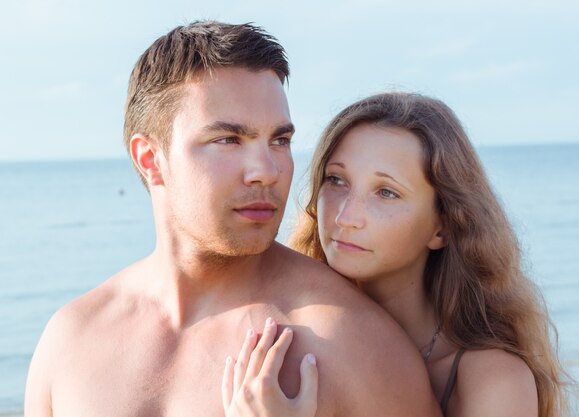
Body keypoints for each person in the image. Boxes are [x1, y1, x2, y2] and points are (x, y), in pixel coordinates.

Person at [24, 23, 442, 416]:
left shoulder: (350, 343)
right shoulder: (71, 339)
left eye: (280, 140)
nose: (266, 169)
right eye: (228, 139)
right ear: (151, 159)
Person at [223, 92, 574, 417]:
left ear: (443, 227)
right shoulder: (291, 340)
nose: (345, 217)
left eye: (386, 193)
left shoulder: (493, 378)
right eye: (336, 180)